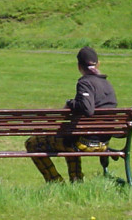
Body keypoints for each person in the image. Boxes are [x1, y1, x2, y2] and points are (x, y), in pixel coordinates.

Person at [25, 46, 117, 183]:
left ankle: (55, 182)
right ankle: (77, 181)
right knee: (70, 138)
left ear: (79, 66)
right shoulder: (107, 84)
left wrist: (70, 103)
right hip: (103, 143)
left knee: (32, 143)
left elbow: (87, 109)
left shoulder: (85, 83)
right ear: (98, 64)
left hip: (83, 143)